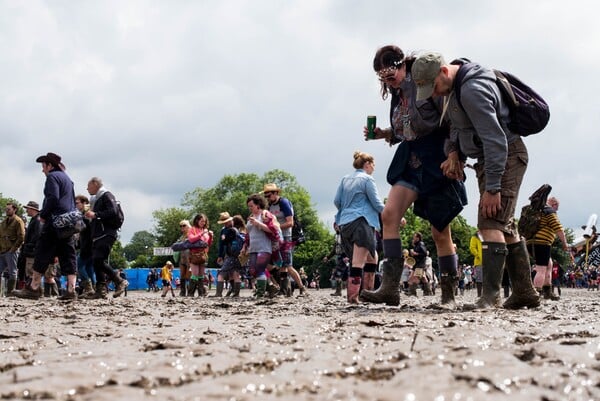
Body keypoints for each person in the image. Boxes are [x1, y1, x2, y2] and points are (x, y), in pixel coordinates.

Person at [412, 52, 540, 309]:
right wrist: (454, 153)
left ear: (444, 72)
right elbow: (457, 128)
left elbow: (495, 140)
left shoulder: (472, 89)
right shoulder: (454, 89)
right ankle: (525, 292)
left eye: (433, 87)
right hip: (489, 159)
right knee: (503, 225)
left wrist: (493, 187)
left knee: (489, 220)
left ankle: (490, 297)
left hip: (505, 157)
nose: (434, 94)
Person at [360, 45, 467, 309]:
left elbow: (452, 118)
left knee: (440, 231)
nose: (388, 80)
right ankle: (390, 289)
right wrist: (384, 133)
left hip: (438, 155)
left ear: (402, 65)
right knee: (388, 215)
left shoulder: (425, 80)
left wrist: (455, 154)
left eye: (390, 74)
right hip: (410, 156)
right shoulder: (396, 92)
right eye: (382, 78)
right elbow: (404, 129)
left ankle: (448, 295)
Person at [14, 153, 78, 301]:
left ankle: (34, 288)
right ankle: (71, 290)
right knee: (69, 255)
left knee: (42, 252)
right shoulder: (68, 179)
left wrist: (44, 214)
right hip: (68, 222)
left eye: (43, 166)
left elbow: (53, 198)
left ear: (50, 165)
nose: (42, 170)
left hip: (54, 221)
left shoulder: (52, 177)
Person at [334, 151, 385, 304]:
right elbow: (376, 204)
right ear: (367, 164)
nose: (374, 168)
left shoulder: (345, 179)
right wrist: (393, 214)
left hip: (345, 223)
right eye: (373, 165)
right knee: (357, 261)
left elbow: (337, 201)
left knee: (372, 257)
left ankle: (368, 293)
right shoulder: (367, 179)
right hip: (362, 221)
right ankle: (353, 297)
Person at [81, 177, 128, 299]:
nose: (87, 188)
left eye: (89, 186)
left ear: (95, 184)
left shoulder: (106, 195)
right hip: (98, 235)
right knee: (97, 262)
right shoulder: (96, 199)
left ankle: (119, 281)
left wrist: (96, 214)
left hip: (106, 233)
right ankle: (100, 290)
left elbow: (112, 211)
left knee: (98, 260)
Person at [263, 183, 308, 297]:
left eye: (269, 195)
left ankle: (301, 288)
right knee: (276, 264)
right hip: (275, 238)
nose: (267, 198)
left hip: (286, 237)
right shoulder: (269, 206)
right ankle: (285, 289)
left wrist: (275, 227)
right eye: (266, 196)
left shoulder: (284, 203)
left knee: (287, 265)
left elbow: (290, 223)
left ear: (276, 193)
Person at [528, 196, 570, 300]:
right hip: (541, 242)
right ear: (554, 204)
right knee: (541, 269)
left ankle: (548, 291)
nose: (557, 210)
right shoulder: (549, 211)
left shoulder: (537, 211)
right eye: (557, 207)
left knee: (549, 264)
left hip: (531, 242)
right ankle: (536, 293)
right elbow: (558, 228)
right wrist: (565, 243)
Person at [241, 194, 280, 298]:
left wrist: (259, 223)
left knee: (260, 269)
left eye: (251, 206)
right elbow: (248, 234)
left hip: (264, 247)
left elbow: (273, 230)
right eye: (248, 206)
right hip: (253, 248)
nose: (250, 208)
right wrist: (244, 246)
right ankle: (270, 287)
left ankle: (260, 292)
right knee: (252, 270)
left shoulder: (265, 215)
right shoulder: (251, 217)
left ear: (258, 205)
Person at [215, 212, 243, 298]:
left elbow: (222, 243)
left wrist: (220, 255)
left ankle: (218, 293)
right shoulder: (237, 230)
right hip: (238, 255)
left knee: (221, 273)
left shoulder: (226, 231)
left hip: (230, 255)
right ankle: (236, 293)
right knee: (235, 273)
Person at [0, 202, 25, 296]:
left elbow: (21, 237)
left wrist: (14, 249)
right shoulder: (3, 222)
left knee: (12, 272)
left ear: (14, 210)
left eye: (9, 209)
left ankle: (10, 294)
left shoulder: (18, 221)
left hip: (11, 250)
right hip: (2, 250)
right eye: (6, 209)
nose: (7, 211)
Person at [187, 213, 213, 297]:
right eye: (202, 221)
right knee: (195, 274)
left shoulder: (205, 231)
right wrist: (201, 234)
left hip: (203, 255)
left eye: (204, 222)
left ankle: (201, 293)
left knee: (201, 275)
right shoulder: (192, 229)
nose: (203, 223)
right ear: (197, 220)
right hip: (194, 254)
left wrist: (211, 237)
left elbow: (207, 244)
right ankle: (190, 293)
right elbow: (191, 239)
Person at [19, 201, 42, 289]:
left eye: (27, 208)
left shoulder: (37, 220)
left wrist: (30, 245)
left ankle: (33, 290)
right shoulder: (34, 220)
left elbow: (37, 235)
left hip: (32, 251)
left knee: (31, 270)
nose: (26, 210)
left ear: (33, 209)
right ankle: (33, 289)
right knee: (29, 271)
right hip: (30, 250)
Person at [75, 195, 95, 297]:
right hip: (90, 244)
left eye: (77, 203)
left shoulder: (86, 213)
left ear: (84, 203)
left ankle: (89, 288)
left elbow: (85, 228)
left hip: (87, 244)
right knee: (89, 268)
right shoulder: (86, 213)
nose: (75, 205)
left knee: (80, 265)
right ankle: (95, 288)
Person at [323, 222, 349, 297]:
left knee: (340, 274)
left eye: (337, 226)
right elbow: (335, 249)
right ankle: (340, 291)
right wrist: (328, 257)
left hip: (345, 257)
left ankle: (340, 291)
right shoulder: (337, 236)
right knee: (341, 275)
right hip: (340, 256)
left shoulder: (345, 235)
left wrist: (348, 256)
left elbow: (349, 246)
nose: (336, 228)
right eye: (335, 226)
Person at [177, 220, 192, 296]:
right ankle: (182, 291)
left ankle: (190, 291)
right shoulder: (181, 237)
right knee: (182, 275)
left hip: (190, 258)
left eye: (184, 225)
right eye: (181, 226)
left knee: (189, 275)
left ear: (188, 226)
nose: (182, 227)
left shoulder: (191, 235)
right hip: (182, 258)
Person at [469, 230, 484, 297]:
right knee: (479, 278)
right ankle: (479, 294)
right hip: (479, 262)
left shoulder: (487, 235)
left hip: (489, 261)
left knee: (487, 278)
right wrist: (478, 255)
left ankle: (486, 294)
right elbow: (472, 248)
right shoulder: (474, 237)